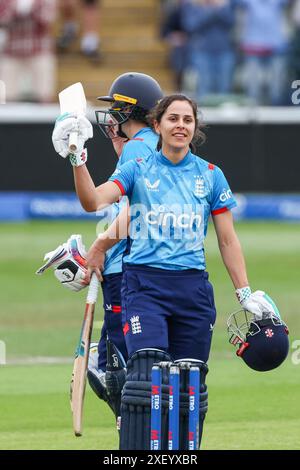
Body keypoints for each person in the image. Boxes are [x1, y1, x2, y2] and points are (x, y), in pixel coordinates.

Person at [76, 93, 283, 449]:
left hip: (192, 291)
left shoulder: (211, 176)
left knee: (190, 385)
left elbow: (228, 241)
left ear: (195, 128)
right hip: (145, 286)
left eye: (187, 120)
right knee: (146, 376)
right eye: (173, 119)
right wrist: (76, 157)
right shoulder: (138, 169)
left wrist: (244, 292)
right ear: (157, 124)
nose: (180, 126)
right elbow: (93, 201)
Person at [51, 72, 164, 426]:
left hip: (129, 273)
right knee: (116, 372)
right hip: (128, 269)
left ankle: (136, 441)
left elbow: (139, 214)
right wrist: (76, 156)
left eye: (116, 110)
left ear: (132, 112)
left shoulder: (139, 145)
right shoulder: (144, 147)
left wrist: (100, 247)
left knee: (119, 376)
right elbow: (94, 202)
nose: (110, 119)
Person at [0, 0, 56, 103]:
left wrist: (30, 6)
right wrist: (17, 7)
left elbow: (46, 19)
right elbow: (2, 18)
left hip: (39, 51)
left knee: (44, 95)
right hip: (11, 52)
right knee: (6, 97)